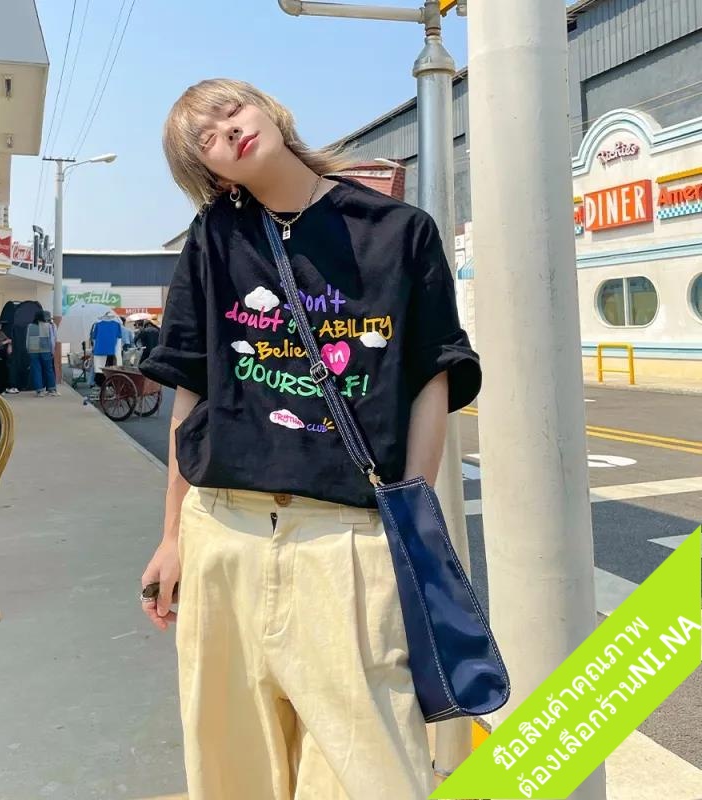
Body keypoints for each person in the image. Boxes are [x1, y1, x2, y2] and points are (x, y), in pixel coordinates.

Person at [139, 79, 481, 799]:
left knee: (375, 777)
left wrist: (408, 520)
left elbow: (434, 376)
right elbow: (189, 391)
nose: (228, 132)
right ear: (210, 173)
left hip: (348, 540)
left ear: (268, 110)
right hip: (223, 532)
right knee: (233, 777)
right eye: (206, 139)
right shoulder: (214, 240)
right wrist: (172, 536)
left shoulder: (399, 231)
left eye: (232, 111)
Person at [26, 309, 58, 397]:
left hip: (33, 350)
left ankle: (39, 391)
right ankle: (52, 389)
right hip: (46, 350)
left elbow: (27, 339)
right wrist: (52, 350)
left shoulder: (30, 326)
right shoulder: (48, 326)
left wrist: (28, 349)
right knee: (48, 369)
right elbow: (52, 340)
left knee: (36, 370)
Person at [89, 312, 123, 387]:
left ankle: (100, 384)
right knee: (110, 368)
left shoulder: (97, 324)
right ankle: (109, 384)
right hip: (111, 350)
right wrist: (118, 355)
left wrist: (94, 349)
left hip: (99, 350)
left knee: (99, 369)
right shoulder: (117, 325)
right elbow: (119, 339)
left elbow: (94, 338)